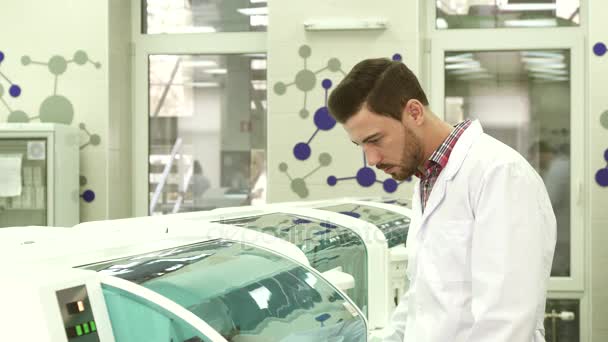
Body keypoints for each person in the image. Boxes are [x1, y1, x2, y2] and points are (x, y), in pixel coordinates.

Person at [327, 58, 556, 342]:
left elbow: (507, 321)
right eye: (361, 146)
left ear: (414, 112)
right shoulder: (429, 180)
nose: (371, 159)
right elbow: (424, 298)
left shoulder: (499, 173)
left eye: (375, 140)